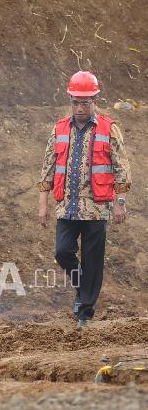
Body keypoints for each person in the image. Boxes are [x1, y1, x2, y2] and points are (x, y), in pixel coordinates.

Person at [37, 71, 131, 328]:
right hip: (67, 207)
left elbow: (121, 166)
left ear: (95, 100)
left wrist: (120, 202)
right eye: (76, 102)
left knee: (93, 260)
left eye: (85, 102)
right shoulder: (59, 129)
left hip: (97, 209)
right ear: (70, 99)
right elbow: (47, 168)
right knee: (62, 252)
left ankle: (84, 312)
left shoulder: (108, 129)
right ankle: (84, 287)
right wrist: (43, 205)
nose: (80, 107)